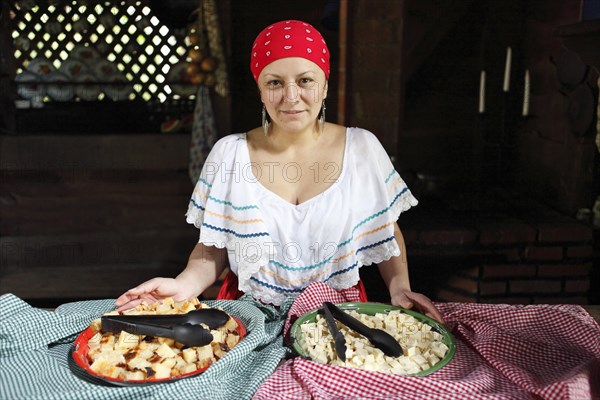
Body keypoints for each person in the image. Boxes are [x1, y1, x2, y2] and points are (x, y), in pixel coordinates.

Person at [116, 20, 444, 323]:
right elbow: (215, 248)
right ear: (260, 89)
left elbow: (386, 230)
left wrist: (400, 286)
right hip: (247, 314)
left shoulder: (361, 149)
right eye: (275, 82)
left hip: (340, 317)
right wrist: (183, 284)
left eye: (305, 81)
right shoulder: (230, 155)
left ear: (325, 86)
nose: (291, 97)